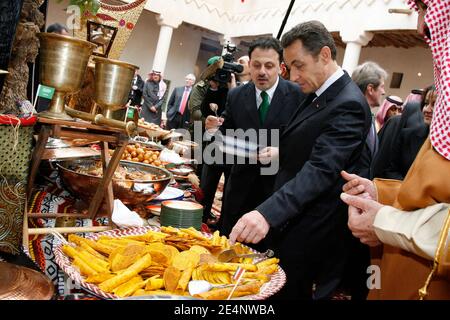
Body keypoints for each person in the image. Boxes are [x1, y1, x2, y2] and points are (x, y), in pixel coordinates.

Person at [228, 21, 372, 299]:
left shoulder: (348, 103)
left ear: (325, 55)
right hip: (293, 221)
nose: (293, 76)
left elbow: (320, 169)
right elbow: (308, 146)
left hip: (313, 230)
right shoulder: (319, 93)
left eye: (299, 65)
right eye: (289, 67)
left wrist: (267, 214)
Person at [340, 0, 450, 300]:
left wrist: (385, 221)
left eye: (427, 9)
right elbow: (434, 193)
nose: (420, 26)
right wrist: (382, 195)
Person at [205, 37, 305, 244]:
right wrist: (213, 130)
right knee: (228, 251)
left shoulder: (298, 96)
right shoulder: (236, 96)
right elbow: (224, 139)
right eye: (257, 65)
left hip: (276, 195)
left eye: (269, 66)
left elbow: (304, 141)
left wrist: (280, 152)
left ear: (281, 67)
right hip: (239, 190)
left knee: (263, 265)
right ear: (249, 65)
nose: (262, 72)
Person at [382, 86, 435, 180]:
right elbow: (390, 171)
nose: (426, 110)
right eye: (426, 104)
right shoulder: (408, 136)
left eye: (434, 104)